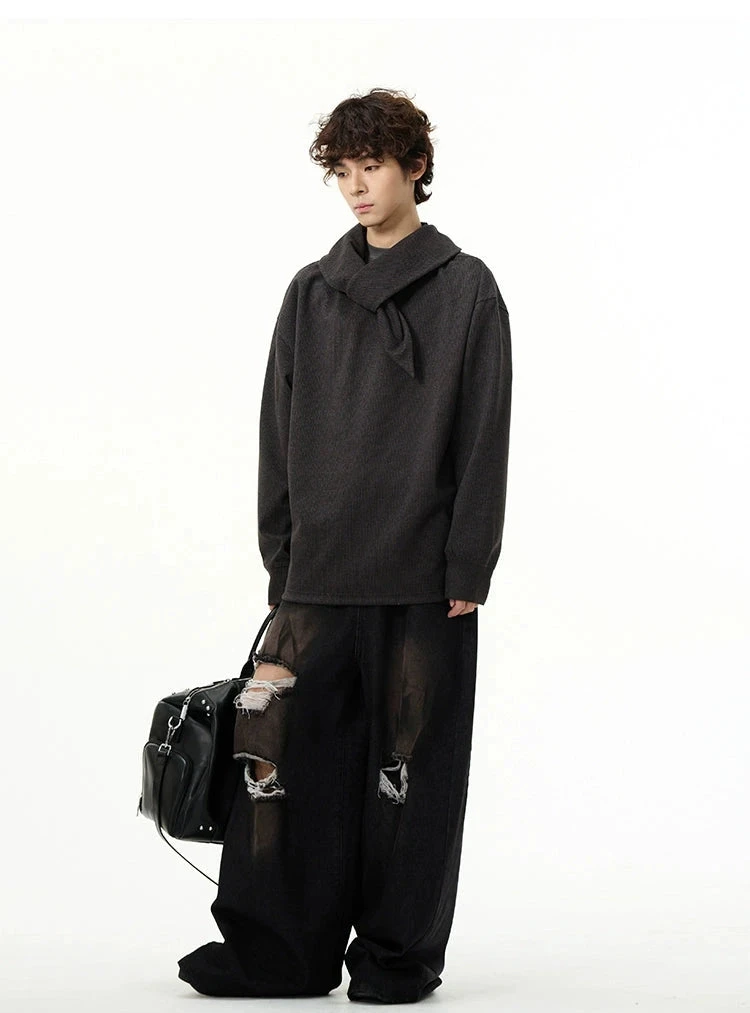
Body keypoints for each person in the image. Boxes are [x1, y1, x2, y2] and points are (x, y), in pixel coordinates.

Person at [177, 86, 513, 1004]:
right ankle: (277, 952)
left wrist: (468, 563)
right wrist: (281, 555)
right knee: (280, 774)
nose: (358, 186)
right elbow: (276, 427)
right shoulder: (310, 292)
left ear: (415, 168)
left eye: (374, 166)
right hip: (316, 579)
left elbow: (484, 431)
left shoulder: (467, 288)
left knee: (412, 779)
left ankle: (397, 959)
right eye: (343, 171)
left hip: (424, 582)